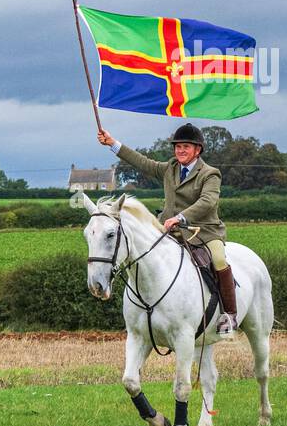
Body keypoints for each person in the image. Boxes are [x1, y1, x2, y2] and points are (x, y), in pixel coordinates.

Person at [97, 122, 237, 334]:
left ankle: (229, 315)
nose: (180, 151)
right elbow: (143, 163)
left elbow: (208, 201)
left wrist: (181, 217)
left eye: (186, 147)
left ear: (197, 150)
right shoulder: (170, 168)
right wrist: (113, 144)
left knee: (218, 260)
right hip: (169, 231)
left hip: (204, 232)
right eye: (177, 147)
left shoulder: (210, 173)